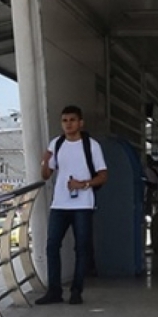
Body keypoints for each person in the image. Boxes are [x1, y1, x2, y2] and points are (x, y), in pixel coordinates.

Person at [36, 105, 108, 305]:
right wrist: (44, 162)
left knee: (82, 248)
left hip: (83, 204)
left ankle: (77, 290)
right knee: (52, 246)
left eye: (72, 120)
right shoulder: (56, 144)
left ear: (80, 123)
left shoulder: (90, 145)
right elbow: (46, 175)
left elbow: (103, 175)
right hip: (59, 204)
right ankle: (54, 291)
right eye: (65, 120)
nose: (68, 124)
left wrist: (83, 184)